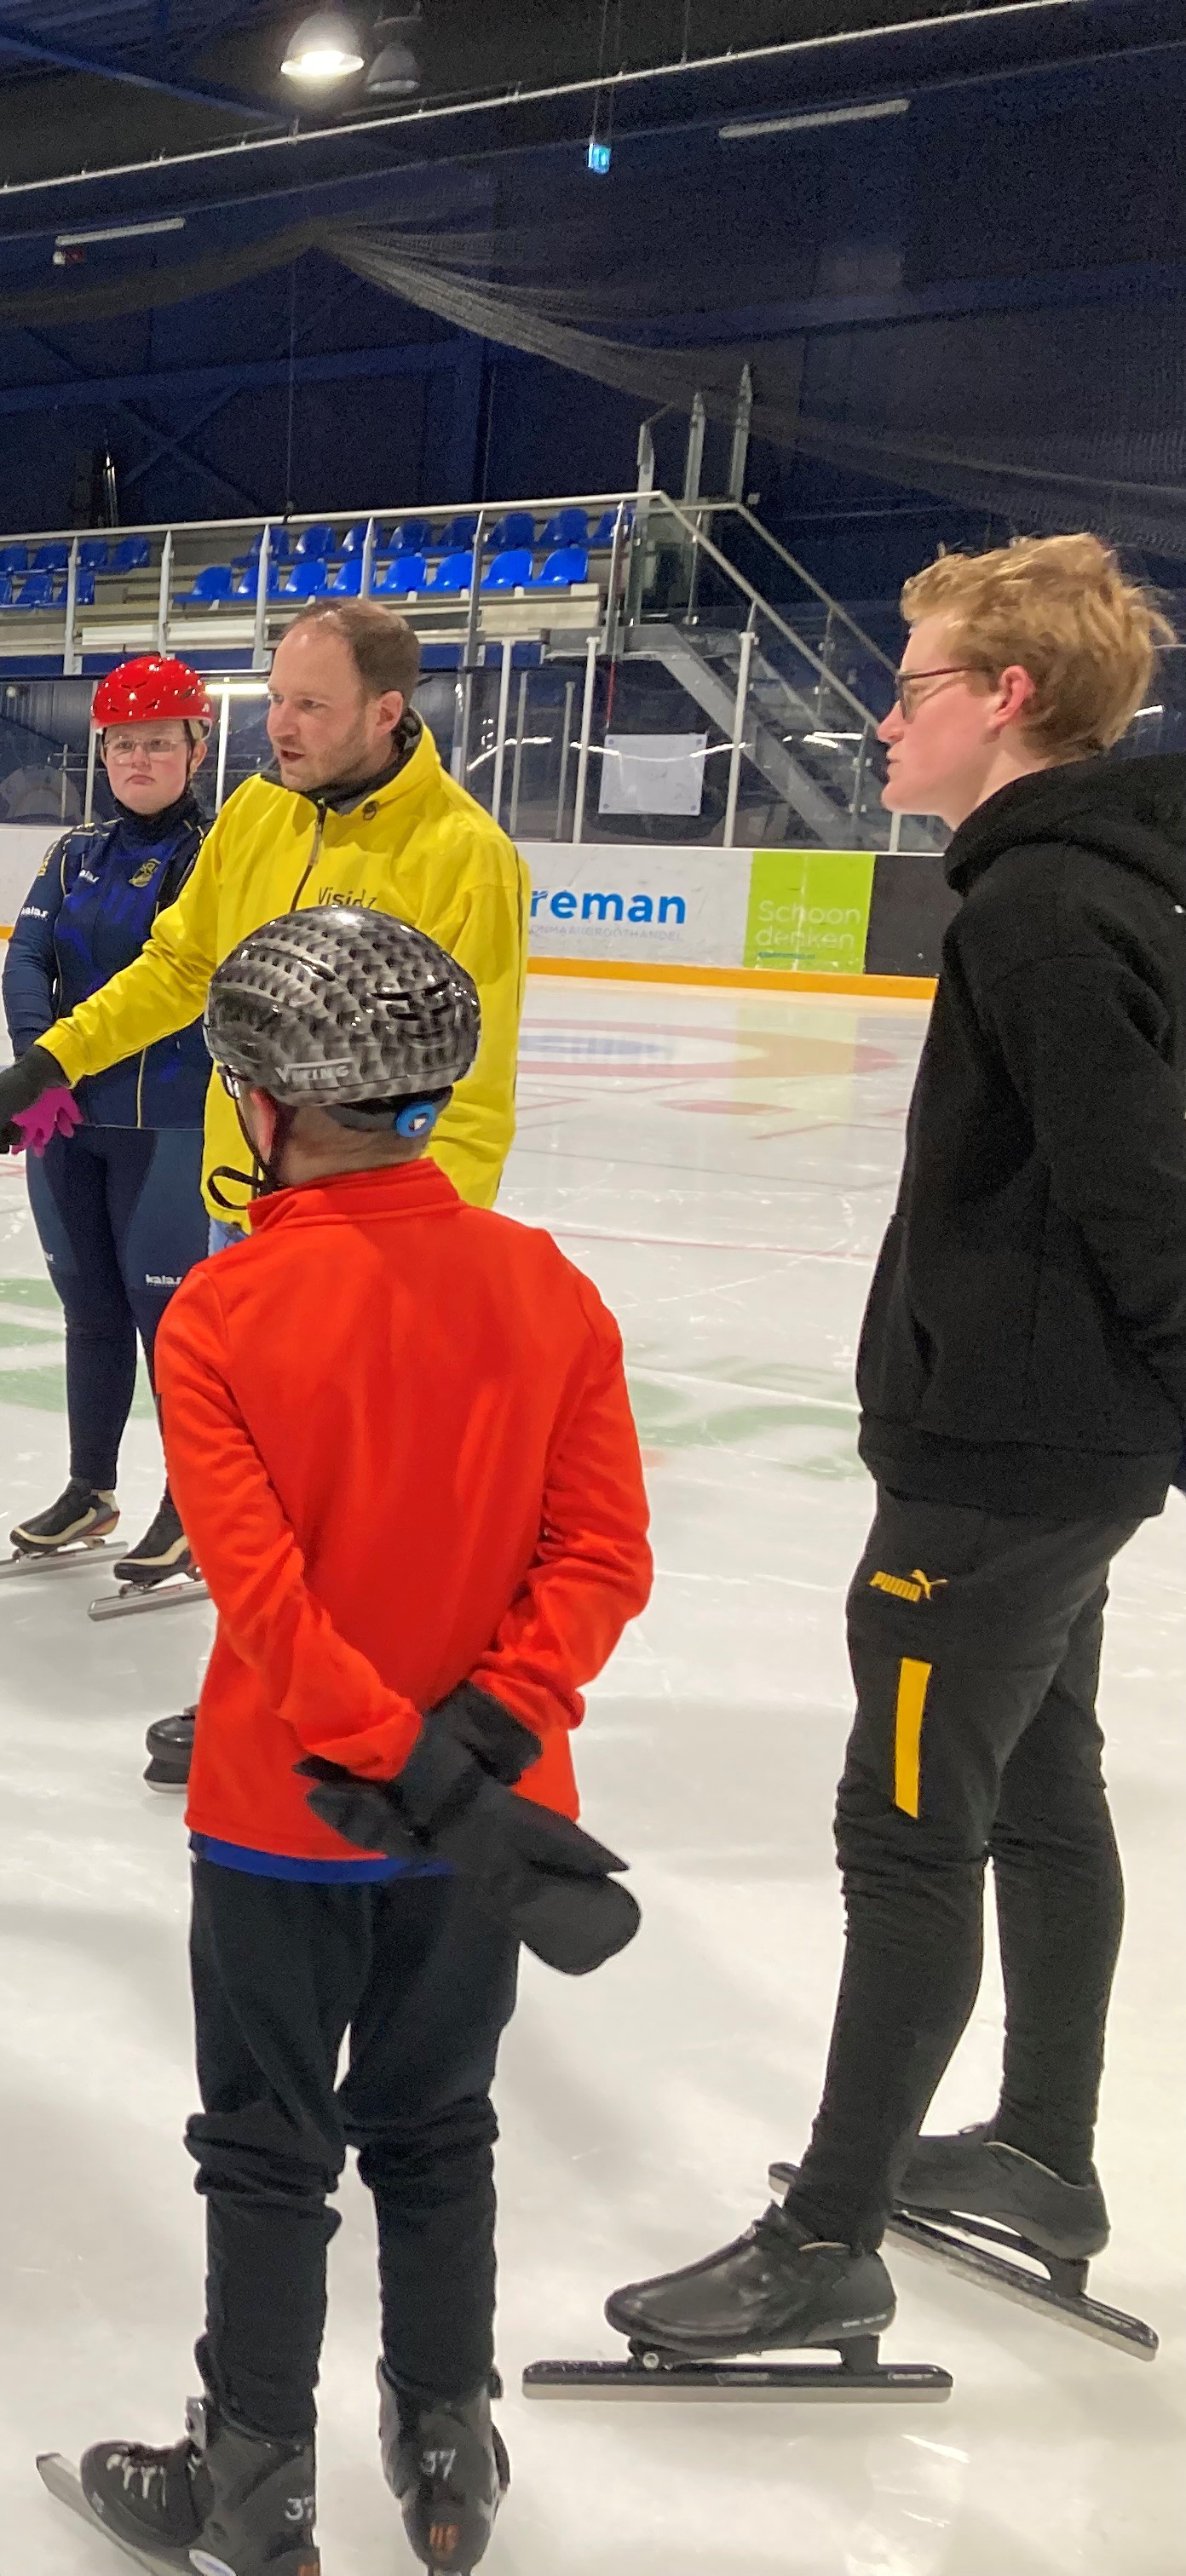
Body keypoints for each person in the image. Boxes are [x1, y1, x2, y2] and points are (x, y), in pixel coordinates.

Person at [602, 535, 1186, 2371]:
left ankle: (828, 2238)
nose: (880, 715)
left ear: (1008, 698)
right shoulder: (1092, 883)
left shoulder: (1038, 907)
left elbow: (1143, 1196)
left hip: (1001, 1469)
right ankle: (1039, 2150)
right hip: (1051, 1452)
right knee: (1042, 1789)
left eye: (915, 680)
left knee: (908, 1830)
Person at [55, 908, 649, 2576]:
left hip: (283, 1824)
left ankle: (254, 2491)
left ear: (262, 1104)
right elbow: (604, 1560)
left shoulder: (229, 1315)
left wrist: (400, 1753)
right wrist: (481, 1750)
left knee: (267, 2151)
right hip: (491, 1839)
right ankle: (448, 2456)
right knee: (437, 2124)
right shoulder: (548, 1290)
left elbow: (270, 1608)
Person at [0, 601, 530, 1788]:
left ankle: (366, 1713)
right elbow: (181, 966)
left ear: (386, 709)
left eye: (310, 706)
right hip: (240, 1203)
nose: (280, 727)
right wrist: (51, 1061)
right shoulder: (263, 815)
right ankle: (263, 1692)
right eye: (272, 698)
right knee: (257, 1492)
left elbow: (472, 1085)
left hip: (369, 1238)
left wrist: (416, 1250)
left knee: (348, 1498)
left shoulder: (462, 856)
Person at [0, 653, 217, 1595]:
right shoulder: (72, 855)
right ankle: (94, 1488)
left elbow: (180, 985)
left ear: (196, 749)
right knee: (89, 1310)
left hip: (168, 1126)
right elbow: (24, 959)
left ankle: (196, 1507)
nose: (137, 759)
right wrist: (41, 1076)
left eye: (157, 742)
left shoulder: (217, 859)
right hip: (65, 1124)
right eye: (123, 743)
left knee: (172, 1326)